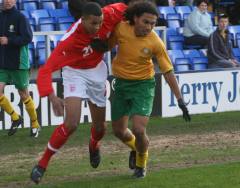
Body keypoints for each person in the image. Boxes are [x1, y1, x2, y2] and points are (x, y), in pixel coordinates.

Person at [30, 1, 128, 184]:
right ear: (82, 20)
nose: (97, 27)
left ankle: (93, 144)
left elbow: (128, 8)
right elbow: (45, 70)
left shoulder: (109, 13)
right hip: (74, 72)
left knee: (100, 128)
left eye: (100, 23)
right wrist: (51, 96)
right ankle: (42, 164)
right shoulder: (69, 41)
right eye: (93, 23)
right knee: (71, 123)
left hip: (97, 70)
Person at [106, 1, 191, 178]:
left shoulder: (155, 42)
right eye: (146, 22)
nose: (150, 27)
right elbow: (106, 45)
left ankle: (141, 163)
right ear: (135, 18)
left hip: (143, 86)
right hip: (120, 84)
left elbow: (168, 71)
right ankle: (136, 148)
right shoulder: (121, 28)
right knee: (119, 131)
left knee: (138, 129)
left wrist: (180, 100)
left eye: (153, 23)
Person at [0, 0, 40, 137]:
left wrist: (9, 41)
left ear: (15, 1)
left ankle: (35, 124)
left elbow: (28, 37)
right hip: (3, 63)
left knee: (23, 94)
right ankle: (16, 118)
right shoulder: (0, 16)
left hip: (18, 63)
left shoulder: (20, 17)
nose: (8, 1)